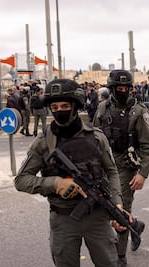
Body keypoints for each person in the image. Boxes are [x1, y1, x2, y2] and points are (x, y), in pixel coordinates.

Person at [15, 79, 128, 267]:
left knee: (109, 263)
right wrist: (55, 184)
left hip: (98, 216)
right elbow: (21, 180)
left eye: (65, 105)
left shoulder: (97, 137)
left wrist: (117, 204)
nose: (60, 110)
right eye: (55, 106)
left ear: (75, 106)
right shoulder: (43, 142)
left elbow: (112, 171)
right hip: (63, 218)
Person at [93, 70, 149, 266]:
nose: (122, 91)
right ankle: (135, 225)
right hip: (103, 167)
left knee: (120, 212)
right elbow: (93, 137)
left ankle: (120, 257)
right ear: (111, 89)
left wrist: (143, 174)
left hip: (126, 167)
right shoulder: (102, 108)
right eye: (118, 88)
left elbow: (148, 147)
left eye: (125, 88)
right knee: (103, 207)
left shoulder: (139, 111)